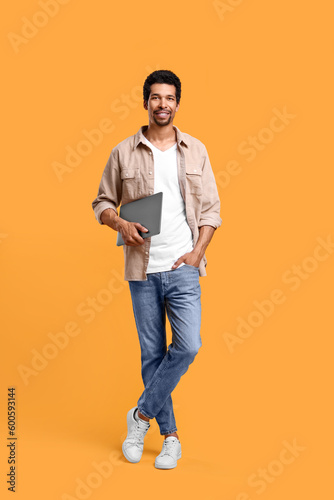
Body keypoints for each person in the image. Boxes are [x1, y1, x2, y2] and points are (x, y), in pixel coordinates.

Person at [92, 70, 222, 469]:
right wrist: (120, 223)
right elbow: (101, 203)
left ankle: (140, 416)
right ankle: (170, 438)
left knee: (188, 346)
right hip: (142, 269)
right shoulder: (123, 152)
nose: (162, 104)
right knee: (152, 353)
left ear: (177, 104)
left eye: (169, 98)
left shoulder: (196, 150)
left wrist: (198, 252)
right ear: (145, 102)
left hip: (183, 265)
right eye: (155, 97)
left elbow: (212, 211)